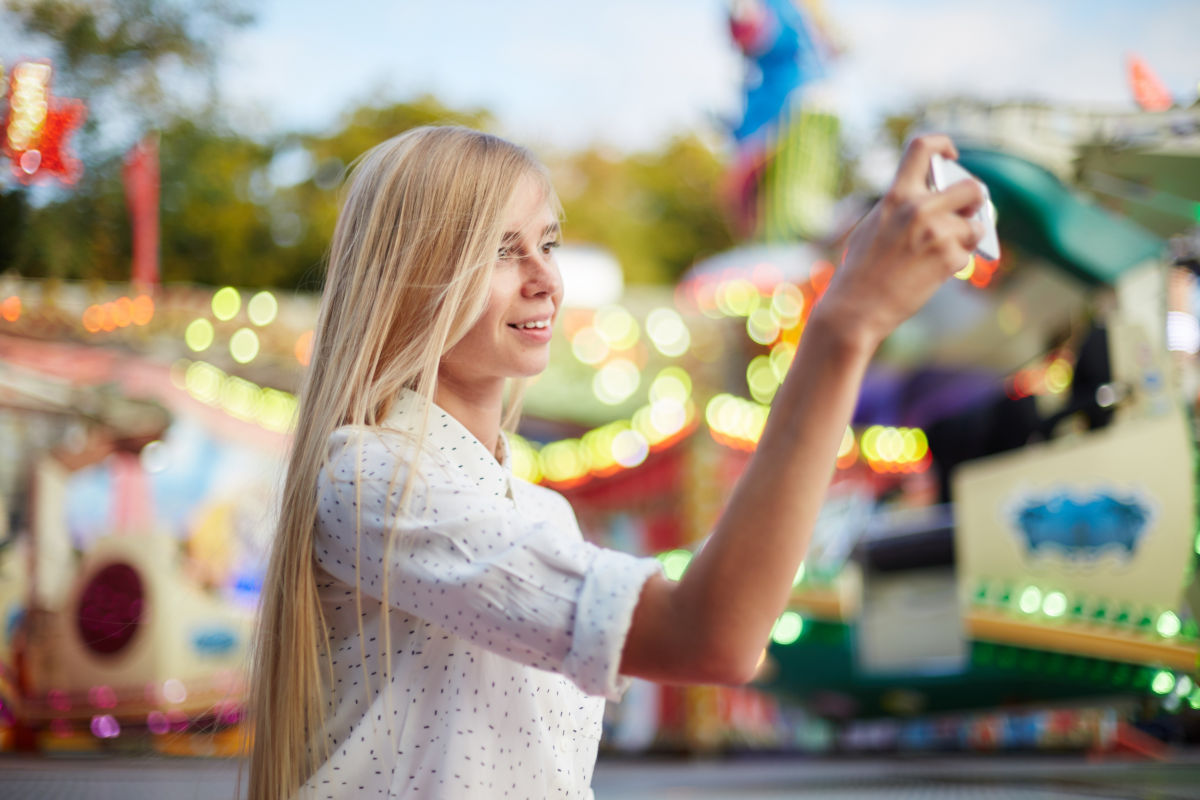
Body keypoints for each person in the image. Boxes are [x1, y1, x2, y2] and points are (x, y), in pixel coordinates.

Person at [246, 125, 985, 799]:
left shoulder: (538, 511)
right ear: (409, 278)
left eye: (549, 242)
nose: (545, 278)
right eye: (502, 250)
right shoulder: (374, 476)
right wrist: (844, 323)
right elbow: (714, 637)